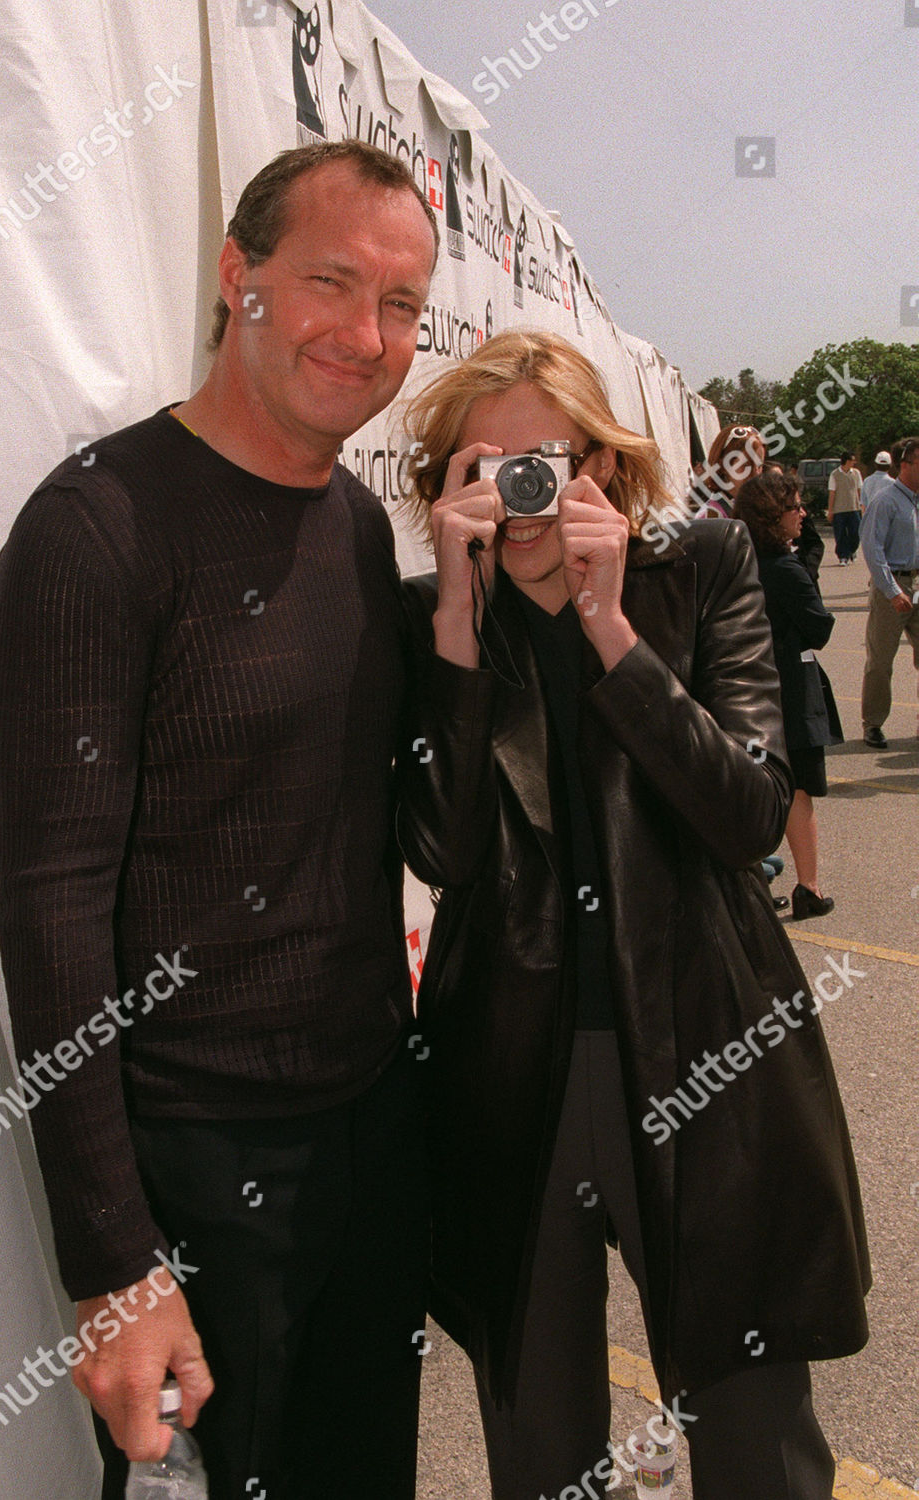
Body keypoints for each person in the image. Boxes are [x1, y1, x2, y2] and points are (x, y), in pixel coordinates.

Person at [0, 139, 439, 1500]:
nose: (366, 336)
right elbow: (51, 903)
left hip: (369, 1141)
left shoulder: (360, 527)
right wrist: (115, 1263)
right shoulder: (97, 527)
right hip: (194, 1177)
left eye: (402, 305)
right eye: (330, 283)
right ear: (236, 277)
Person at [395, 330, 870, 1500]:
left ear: (602, 466)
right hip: (513, 1076)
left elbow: (748, 813)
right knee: (539, 1443)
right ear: (447, 487)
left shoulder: (697, 567)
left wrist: (611, 629)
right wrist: (457, 639)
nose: (522, 491)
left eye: (546, 459)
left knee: (758, 1443)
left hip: (712, 1046)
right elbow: (440, 850)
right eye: (484, 465)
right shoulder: (434, 621)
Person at [734, 471, 842, 919]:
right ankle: (809, 888)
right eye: (796, 506)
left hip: (747, 689)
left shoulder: (739, 559)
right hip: (791, 692)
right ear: (774, 516)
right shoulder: (784, 568)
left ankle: (750, 880)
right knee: (798, 790)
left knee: (753, 788)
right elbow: (820, 628)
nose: (803, 513)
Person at [859, 435, 919, 748]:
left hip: (918, 584)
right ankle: (873, 724)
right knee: (881, 661)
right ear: (904, 465)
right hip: (891, 588)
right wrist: (893, 590)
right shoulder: (885, 500)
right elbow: (872, 550)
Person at [689, 421, 765, 518]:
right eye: (746, 466)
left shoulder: (748, 510)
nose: (756, 473)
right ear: (723, 466)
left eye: (759, 465)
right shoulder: (712, 516)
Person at [827, 451, 862, 563]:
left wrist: (861, 505)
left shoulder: (856, 473)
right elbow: (832, 493)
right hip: (839, 509)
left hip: (854, 508)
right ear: (847, 461)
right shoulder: (835, 474)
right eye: (852, 460)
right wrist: (830, 511)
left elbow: (859, 490)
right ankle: (843, 556)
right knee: (840, 534)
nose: (854, 462)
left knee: (856, 533)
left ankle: (852, 550)